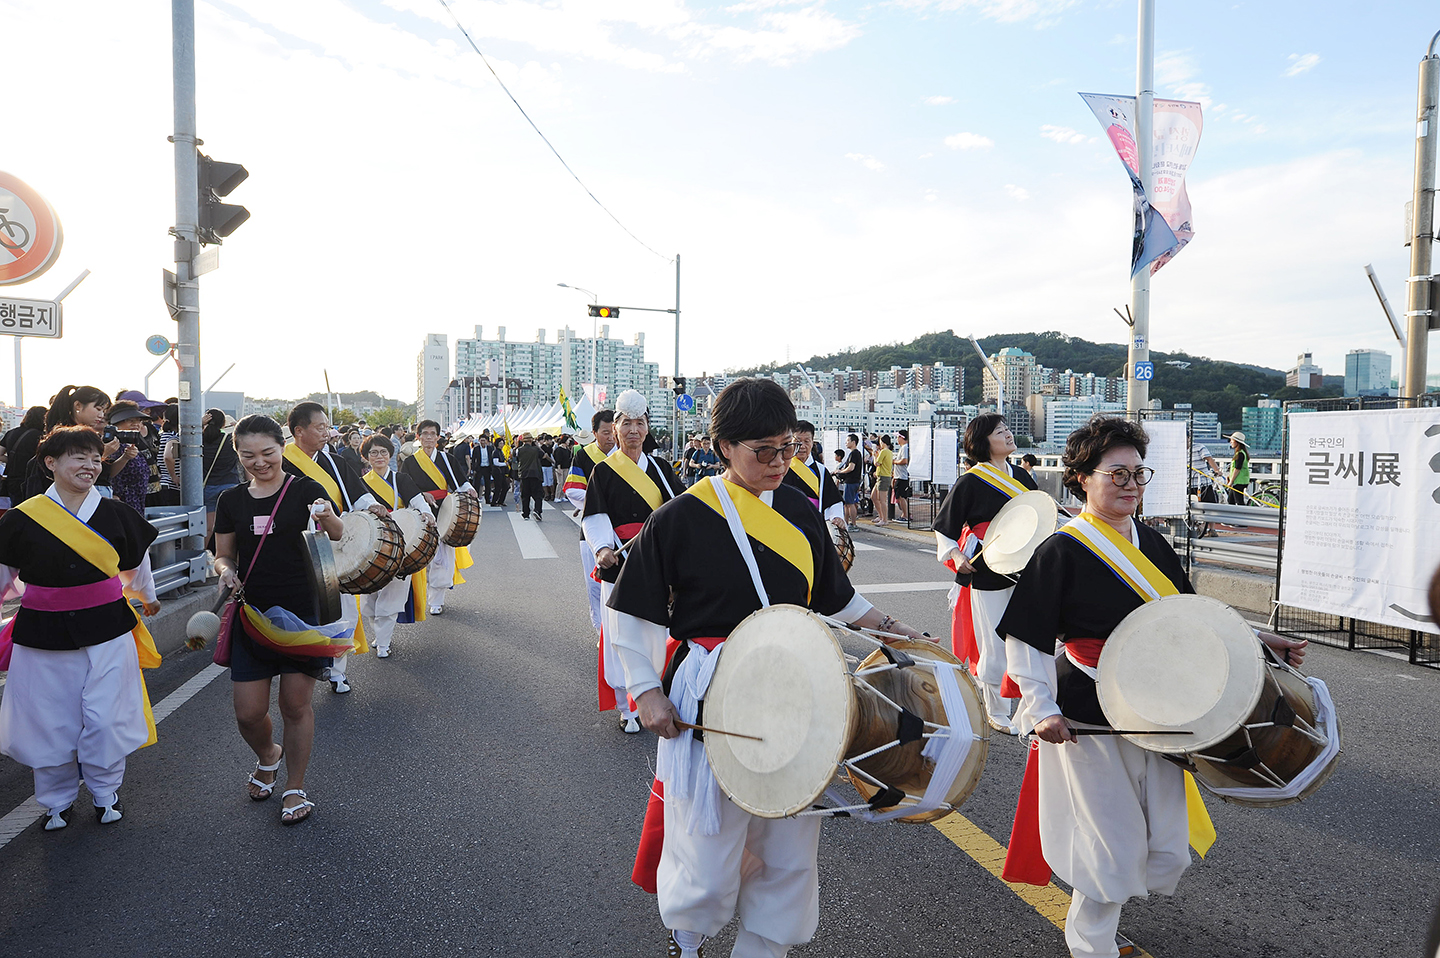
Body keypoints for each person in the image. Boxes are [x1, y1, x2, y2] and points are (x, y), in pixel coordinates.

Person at [609, 378, 931, 958]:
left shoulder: (803, 515)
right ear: (723, 446)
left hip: (794, 689)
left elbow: (836, 599)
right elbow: (633, 613)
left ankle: (765, 946)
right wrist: (645, 693)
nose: (781, 462)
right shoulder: (680, 517)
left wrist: (892, 627)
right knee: (708, 837)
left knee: (788, 839)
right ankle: (688, 937)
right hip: (711, 686)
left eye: (788, 447)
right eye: (764, 451)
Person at [998, 417, 1309, 958]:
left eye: (1139, 473)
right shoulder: (1061, 550)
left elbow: (1197, 617)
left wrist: (1259, 639)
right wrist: (1040, 706)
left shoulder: (1155, 544)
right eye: (1117, 474)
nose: (1132, 484)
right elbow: (1027, 637)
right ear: (1081, 479)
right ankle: (1090, 940)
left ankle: (1098, 925)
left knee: (1160, 836)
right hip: (1088, 710)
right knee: (1109, 836)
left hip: (1161, 709)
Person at [0, 426, 161, 830]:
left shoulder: (118, 513)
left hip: (108, 628)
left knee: (107, 716)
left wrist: (147, 594)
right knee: (49, 718)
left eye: (94, 458)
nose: (90, 466)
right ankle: (55, 801)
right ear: (50, 462)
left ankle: (106, 792)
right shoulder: (21, 519)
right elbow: (3, 573)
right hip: (41, 633)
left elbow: (136, 564)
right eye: (78, 457)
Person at [215, 414, 348, 826]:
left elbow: (339, 533)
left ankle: (295, 785)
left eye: (268, 453)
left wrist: (325, 515)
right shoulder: (231, 500)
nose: (259, 462)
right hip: (251, 614)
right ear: (238, 454)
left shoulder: (306, 489)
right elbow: (222, 554)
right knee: (248, 714)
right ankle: (268, 754)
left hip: (301, 613)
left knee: (295, 704)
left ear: (283, 448)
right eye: (248, 455)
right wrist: (224, 571)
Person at [933, 413, 1038, 734]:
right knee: (994, 641)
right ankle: (996, 709)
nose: (1007, 434)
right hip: (987, 568)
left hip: (1025, 567)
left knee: (1028, 639)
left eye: (1008, 428)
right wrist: (954, 554)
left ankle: (1029, 707)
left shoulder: (1021, 476)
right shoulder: (970, 480)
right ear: (982, 442)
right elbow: (945, 527)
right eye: (999, 431)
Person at [582, 391, 679, 733]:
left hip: (655, 562)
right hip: (619, 563)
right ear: (615, 429)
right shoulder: (604, 472)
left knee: (656, 632)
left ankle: (657, 694)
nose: (634, 430)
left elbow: (679, 513)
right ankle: (627, 707)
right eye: (627, 424)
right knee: (621, 635)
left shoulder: (663, 469)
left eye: (640, 423)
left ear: (647, 428)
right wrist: (602, 547)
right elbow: (594, 516)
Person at [283, 401, 387, 694]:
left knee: (342, 611)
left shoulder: (335, 462)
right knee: (302, 611)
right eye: (320, 427)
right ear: (298, 431)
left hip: (334, 544)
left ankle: (337, 671)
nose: (327, 432)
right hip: (297, 547)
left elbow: (357, 494)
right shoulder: (281, 461)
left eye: (327, 426)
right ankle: (301, 667)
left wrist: (372, 505)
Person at [359, 434, 433, 657]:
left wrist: (427, 514)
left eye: (383, 452)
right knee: (369, 597)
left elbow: (418, 502)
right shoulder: (360, 483)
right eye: (373, 452)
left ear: (390, 454)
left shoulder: (401, 479)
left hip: (399, 543)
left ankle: (383, 642)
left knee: (392, 595)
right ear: (366, 458)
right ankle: (379, 634)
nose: (379, 456)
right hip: (370, 545)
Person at [400, 419, 478, 616]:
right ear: (418, 437)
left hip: (444, 511)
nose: (428, 437)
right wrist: (419, 494)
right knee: (422, 556)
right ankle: (420, 595)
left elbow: (460, 481)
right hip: (421, 511)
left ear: (438, 437)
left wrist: (470, 490)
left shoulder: (447, 459)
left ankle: (437, 599)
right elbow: (404, 487)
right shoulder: (410, 462)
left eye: (432, 434)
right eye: (424, 433)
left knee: (442, 557)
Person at [564, 410, 618, 647]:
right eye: (605, 432)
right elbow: (573, 490)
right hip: (593, 532)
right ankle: (601, 631)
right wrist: (599, 501)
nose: (610, 437)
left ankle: (619, 629)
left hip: (625, 531)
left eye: (613, 432)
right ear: (594, 433)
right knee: (595, 584)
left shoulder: (628, 456)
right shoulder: (584, 456)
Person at [781, 419, 846, 529]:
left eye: (807, 441)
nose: (802, 446)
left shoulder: (821, 471)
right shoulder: (781, 467)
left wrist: (836, 516)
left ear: (812, 442)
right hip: (785, 524)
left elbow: (832, 499)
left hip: (813, 525)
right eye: (797, 440)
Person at [202, 408, 242, 540]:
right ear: (223, 424)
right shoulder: (230, 440)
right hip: (230, 485)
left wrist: (199, 424)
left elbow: (180, 438)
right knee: (233, 525)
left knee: (209, 527)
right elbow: (246, 438)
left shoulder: (198, 440)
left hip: (208, 486)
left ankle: (208, 557)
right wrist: (237, 426)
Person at [0, 405, 46, 507]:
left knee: (17, 510)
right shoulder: (41, 436)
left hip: (12, 480)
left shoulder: (11, 432)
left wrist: (11, 459)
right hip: (32, 479)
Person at [834, 433, 863, 528]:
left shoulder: (854, 453)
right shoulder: (854, 453)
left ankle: (853, 524)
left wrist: (840, 471)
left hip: (851, 481)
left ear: (853, 442)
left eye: (847, 441)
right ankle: (846, 522)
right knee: (847, 503)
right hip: (851, 481)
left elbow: (851, 467)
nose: (846, 443)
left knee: (850, 504)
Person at [514, 433, 545, 520]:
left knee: (525, 495)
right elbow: (543, 456)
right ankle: (537, 510)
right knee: (538, 494)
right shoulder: (536, 449)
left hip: (524, 474)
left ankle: (526, 513)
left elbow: (517, 458)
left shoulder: (518, 450)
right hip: (535, 474)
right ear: (531, 440)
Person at [870, 434, 894, 525]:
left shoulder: (884, 451)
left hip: (883, 477)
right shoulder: (889, 452)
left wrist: (874, 455)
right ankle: (881, 516)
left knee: (882, 500)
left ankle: (884, 519)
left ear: (882, 442)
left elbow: (876, 463)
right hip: (882, 476)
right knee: (874, 496)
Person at [1225, 431, 1251, 506]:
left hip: (1239, 481)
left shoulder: (1240, 454)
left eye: (1232, 441)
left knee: (1239, 502)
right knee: (1230, 501)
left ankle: (1243, 515)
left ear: (1237, 442)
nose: (1230, 442)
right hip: (1240, 481)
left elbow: (1237, 469)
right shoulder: (1242, 453)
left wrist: (1231, 481)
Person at [470, 435, 495, 504]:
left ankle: (487, 499)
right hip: (479, 468)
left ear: (486, 441)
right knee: (477, 484)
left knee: (488, 484)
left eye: (484, 440)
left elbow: (491, 459)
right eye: (481, 440)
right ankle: (476, 499)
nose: (483, 442)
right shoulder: (476, 449)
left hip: (487, 468)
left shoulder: (490, 448)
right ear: (479, 441)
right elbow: (473, 459)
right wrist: (474, 468)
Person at [893, 430, 911, 521]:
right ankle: (906, 514)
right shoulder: (903, 447)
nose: (897, 439)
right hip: (900, 476)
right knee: (901, 496)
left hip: (902, 476)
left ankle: (905, 515)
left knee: (901, 497)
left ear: (902, 437)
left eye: (898, 437)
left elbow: (905, 460)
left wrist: (895, 461)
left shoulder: (905, 447)